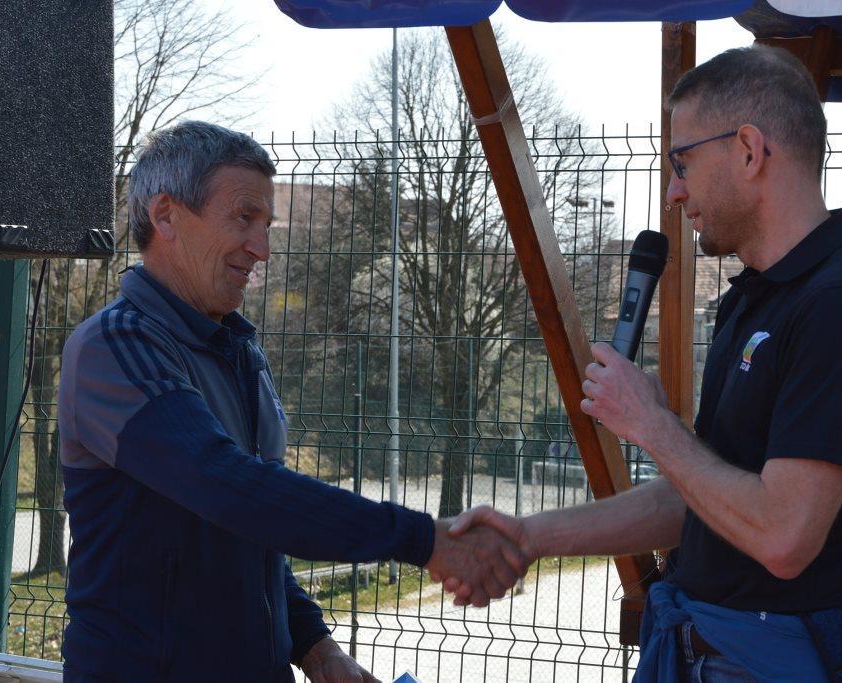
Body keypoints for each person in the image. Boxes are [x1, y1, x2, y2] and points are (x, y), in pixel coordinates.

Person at [448, 46, 842, 682]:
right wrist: (528, 536)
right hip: (704, 651)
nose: (674, 191)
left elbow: (782, 537)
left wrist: (653, 426)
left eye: (682, 162)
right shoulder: (756, 297)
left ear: (749, 150)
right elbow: (701, 497)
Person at [57, 121, 526, 683]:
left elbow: (252, 529)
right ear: (166, 216)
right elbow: (228, 488)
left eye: (266, 225)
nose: (262, 249)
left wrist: (314, 646)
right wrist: (423, 540)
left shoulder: (238, 349)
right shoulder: (115, 346)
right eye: (243, 218)